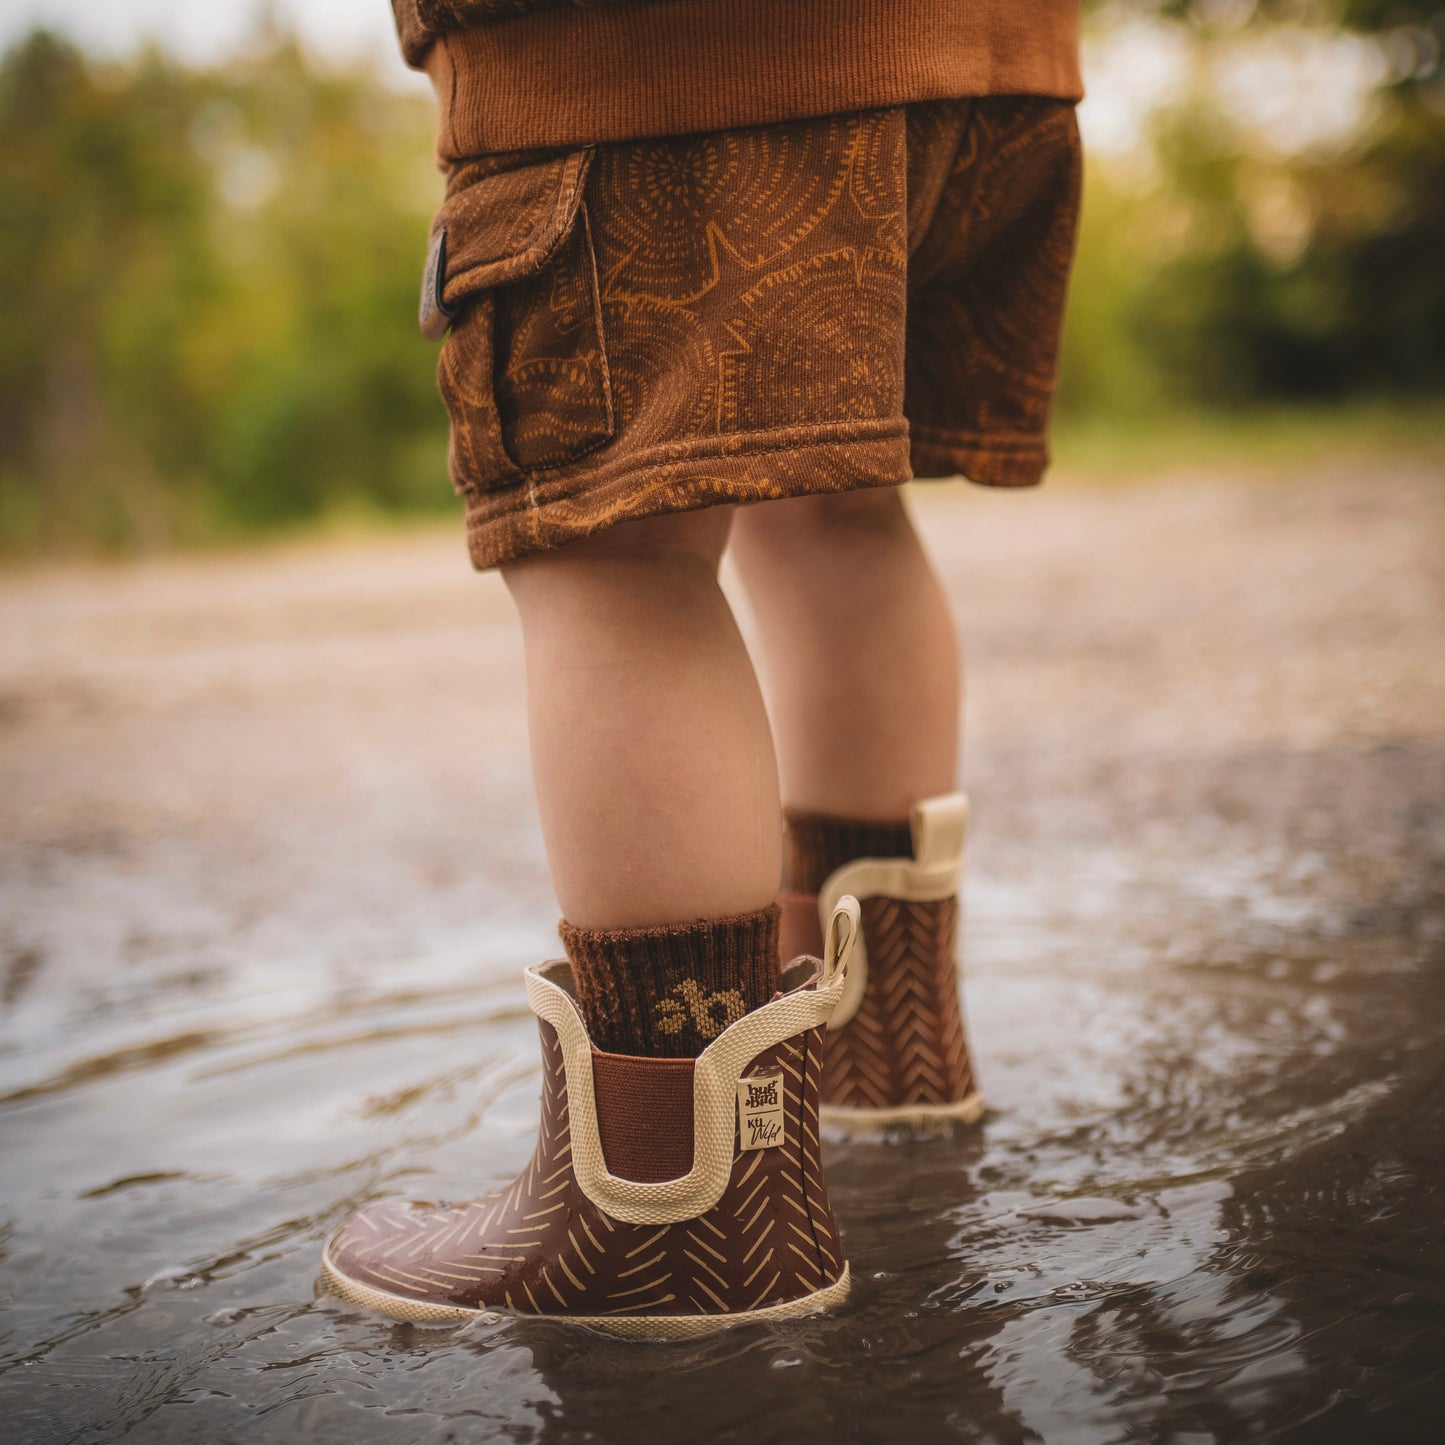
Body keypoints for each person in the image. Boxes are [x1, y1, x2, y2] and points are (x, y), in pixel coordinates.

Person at [321, 0, 1082, 1334]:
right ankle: (867, 1050)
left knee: (612, 538)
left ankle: (671, 1206)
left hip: (664, 63)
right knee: (830, 493)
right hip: (983, 55)